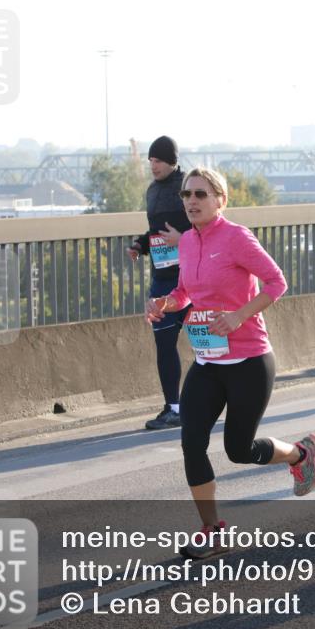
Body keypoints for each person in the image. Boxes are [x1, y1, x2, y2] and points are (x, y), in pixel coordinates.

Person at [145, 167, 315, 559]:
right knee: (192, 441)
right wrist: (166, 303)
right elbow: (186, 290)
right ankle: (212, 531)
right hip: (208, 360)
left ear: (220, 201)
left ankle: (300, 454)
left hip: (249, 360)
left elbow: (277, 283)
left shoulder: (237, 238)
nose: (191, 201)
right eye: (187, 195)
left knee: (238, 450)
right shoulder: (188, 242)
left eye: (201, 195)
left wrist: (240, 315)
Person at [128, 136, 193, 429]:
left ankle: (224, 399)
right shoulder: (152, 191)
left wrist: (184, 240)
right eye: (151, 161)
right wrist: (140, 245)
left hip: (194, 277)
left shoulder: (190, 188)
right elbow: (156, 231)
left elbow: (208, 225)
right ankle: (173, 407)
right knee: (164, 345)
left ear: (172, 161)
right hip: (163, 281)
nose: (153, 166)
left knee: (210, 344)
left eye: (158, 161)